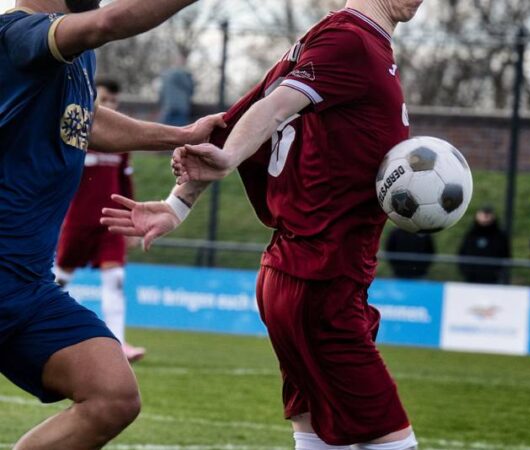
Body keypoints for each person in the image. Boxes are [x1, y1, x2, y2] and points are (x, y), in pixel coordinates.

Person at [101, 1, 424, 449]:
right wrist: (227, 159)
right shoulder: (350, 41)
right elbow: (272, 109)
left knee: (317, 432)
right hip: (321, 279)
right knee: (391, 439)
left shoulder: (332, 40)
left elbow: (239, 116)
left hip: (302, 274)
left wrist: (178, 205)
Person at [0, 0, 223, 448]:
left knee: (113, 397)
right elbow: (107, 22)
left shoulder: (74, 59)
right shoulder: (18, 35)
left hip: (27, 286)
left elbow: (87, 120)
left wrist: (181, 136)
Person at [54, 79, 146, 363]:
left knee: (116, 279)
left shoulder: (121, 143)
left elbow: (125, 182)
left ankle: (117, 344)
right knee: (57, 280)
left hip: (111, 223)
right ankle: (36, 331)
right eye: (104, 100)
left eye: (114, 102)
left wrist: (133, 222)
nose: (110, 107)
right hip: (77, 222)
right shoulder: (73, 135)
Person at [458, 205, 510, 284]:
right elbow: (462, 253)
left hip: (493, 279)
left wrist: (498, 272)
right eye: (482, 214)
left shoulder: (500, 235)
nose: (485, 217)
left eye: (487, 214)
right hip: (471, 278)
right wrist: (466, 271)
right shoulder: (471, 234)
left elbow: (506, 255)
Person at [158, 54, 195, 126]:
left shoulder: (166, 75)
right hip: (181, 107)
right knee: (181, 131)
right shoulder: (185, 75)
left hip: (168, 106)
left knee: (164, 130)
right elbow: (190, 90)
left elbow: (161, 92)